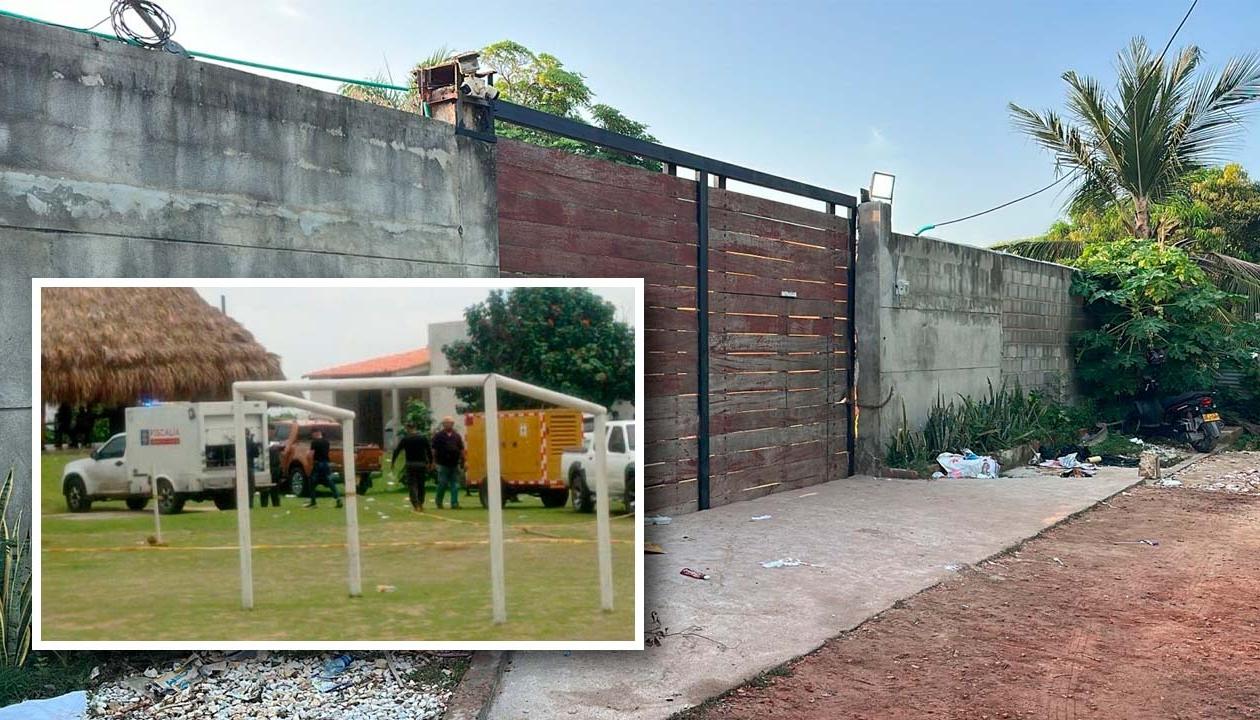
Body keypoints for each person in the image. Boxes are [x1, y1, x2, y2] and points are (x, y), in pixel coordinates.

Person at [392, 421, 433, 512]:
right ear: (415, 427)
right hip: (421, 464)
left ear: (407, 428)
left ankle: (415, 504)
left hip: (410, 464)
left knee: (412, 485)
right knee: (421, 484)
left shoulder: (405, 439)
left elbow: (397, 450)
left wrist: (393, 462)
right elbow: (429, 451)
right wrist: (430, 463)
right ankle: (421, 503)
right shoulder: (423, 438)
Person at [431, 416, 465, 510]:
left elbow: (461, 448)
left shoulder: (456, 436)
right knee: (442, 483)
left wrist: (463, 460)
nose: (449, 424)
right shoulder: (438, 436)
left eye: (450, 423)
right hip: (443, 464)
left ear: (452, 424)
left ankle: (454, 503)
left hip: (454, 464)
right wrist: (433, 461)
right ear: (443, 424)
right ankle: (439, 502)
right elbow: (434, 449)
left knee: (455, 485)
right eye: (446, 423)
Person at [305, 428, 342, 509]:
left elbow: (311, 454)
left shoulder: (314, 442)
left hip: (318, 464)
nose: (312, 436)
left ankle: (313, 502)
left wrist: (309, 462)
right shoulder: (326, 442)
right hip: (326, 464)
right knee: (330, 482)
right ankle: (338, 498)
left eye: (313, 434)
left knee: (311, 482)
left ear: (316, 433)